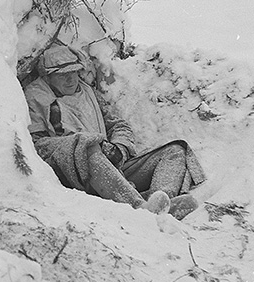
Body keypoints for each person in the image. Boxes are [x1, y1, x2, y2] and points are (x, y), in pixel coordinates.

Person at [24, 45, 206, 219]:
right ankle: (139, 210)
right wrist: (81, 143)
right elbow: (36, 145)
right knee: (88, 148)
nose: (71, 79)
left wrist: (119, 148)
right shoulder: (36, 98)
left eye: (73, 72)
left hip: (111, 168)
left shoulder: (88, 91)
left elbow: (118, 124)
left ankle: (160, 201)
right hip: (77, 171)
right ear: (48, 77)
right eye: (63, 75)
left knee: (175, 150)